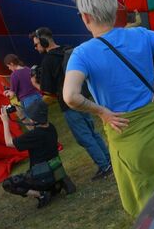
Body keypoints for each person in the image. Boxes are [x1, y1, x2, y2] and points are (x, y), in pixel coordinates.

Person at [63, 0, 154, 216]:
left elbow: (70, 97)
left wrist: (102, 112)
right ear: (114, 10)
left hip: (130, 141)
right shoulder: (140, 34)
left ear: (85, 17)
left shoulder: (82, 54)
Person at [30, 26, 112, 180]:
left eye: (36, 44)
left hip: (69, 103)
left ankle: (104, 165)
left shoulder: (48, 61)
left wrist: (35, 84)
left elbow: (48, 91)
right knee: (92, 132)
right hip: (83, 98)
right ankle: (109, 159)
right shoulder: (68, 49)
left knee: (84, 137)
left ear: (43, 41)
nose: (35, 48)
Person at [0, 97, 73, 208]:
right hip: (54, 171)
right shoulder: (50, 127)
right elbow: (34, 130)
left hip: (42, 177)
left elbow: (9, 142)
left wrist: (5, 122)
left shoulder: (34, 135)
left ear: (33, 119)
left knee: (9, 184)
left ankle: (42, 194)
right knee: (46, 173)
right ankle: (60, 181)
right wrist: (22, 117)